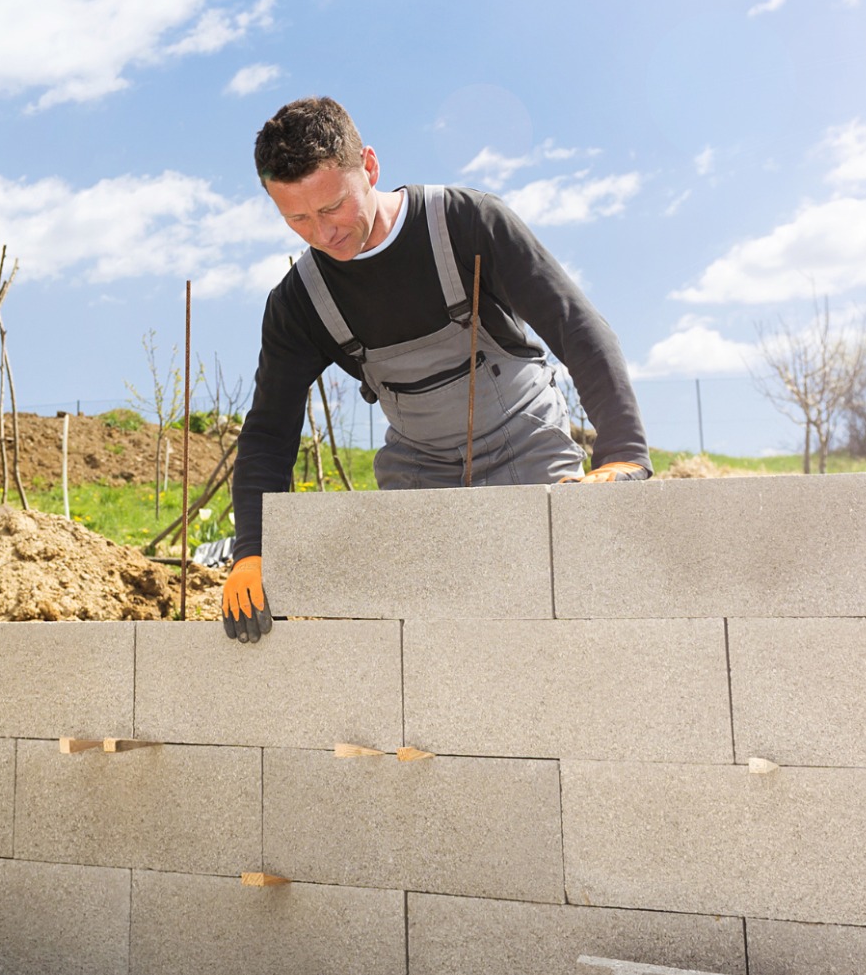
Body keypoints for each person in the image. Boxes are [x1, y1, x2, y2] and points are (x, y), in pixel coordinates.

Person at [222, 96, 651, 641]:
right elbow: (269, 433)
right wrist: (252, 551)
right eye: (297, 219)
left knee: (565, 612)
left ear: (370, 167)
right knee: (421, 644)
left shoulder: (467, 224)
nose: (323, 234)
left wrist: (623, 455)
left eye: (332, 208)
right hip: (419, 467)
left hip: (526, 444)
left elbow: (577, 327)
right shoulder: (300, 301)